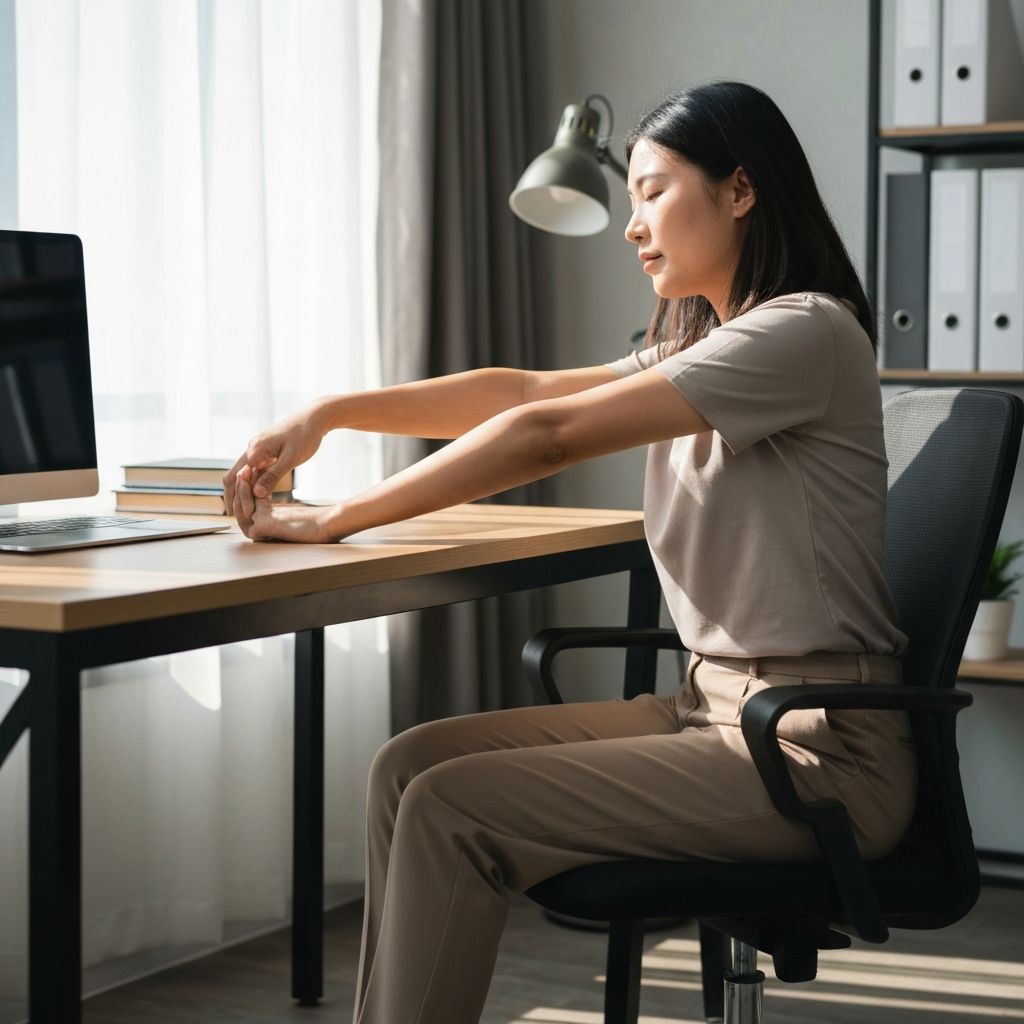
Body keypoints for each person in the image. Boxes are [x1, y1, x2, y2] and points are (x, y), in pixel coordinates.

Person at [223, 81, 915, 1024]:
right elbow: (523, 389)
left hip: (816, 749)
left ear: (742, 189)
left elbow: (544, 434)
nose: (632, 226)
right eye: (629, 198)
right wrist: (331, 412)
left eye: (654, 191)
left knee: (448, 807)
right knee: (404, 769)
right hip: (709, 709)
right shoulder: (713, 343)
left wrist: (332, 519)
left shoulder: (802, 331)